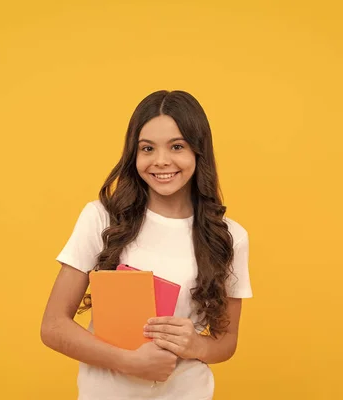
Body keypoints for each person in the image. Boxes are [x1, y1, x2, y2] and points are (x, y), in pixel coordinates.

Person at [40, 90, 252, 400]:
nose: (161, 161)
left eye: (177, 146)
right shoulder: (102, 218)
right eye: (147, 148)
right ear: (133, 154)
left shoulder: (230, 236)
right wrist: (129, 362)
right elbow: (53, 326)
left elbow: (227, 341)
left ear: (198, 152)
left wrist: (197, 345)